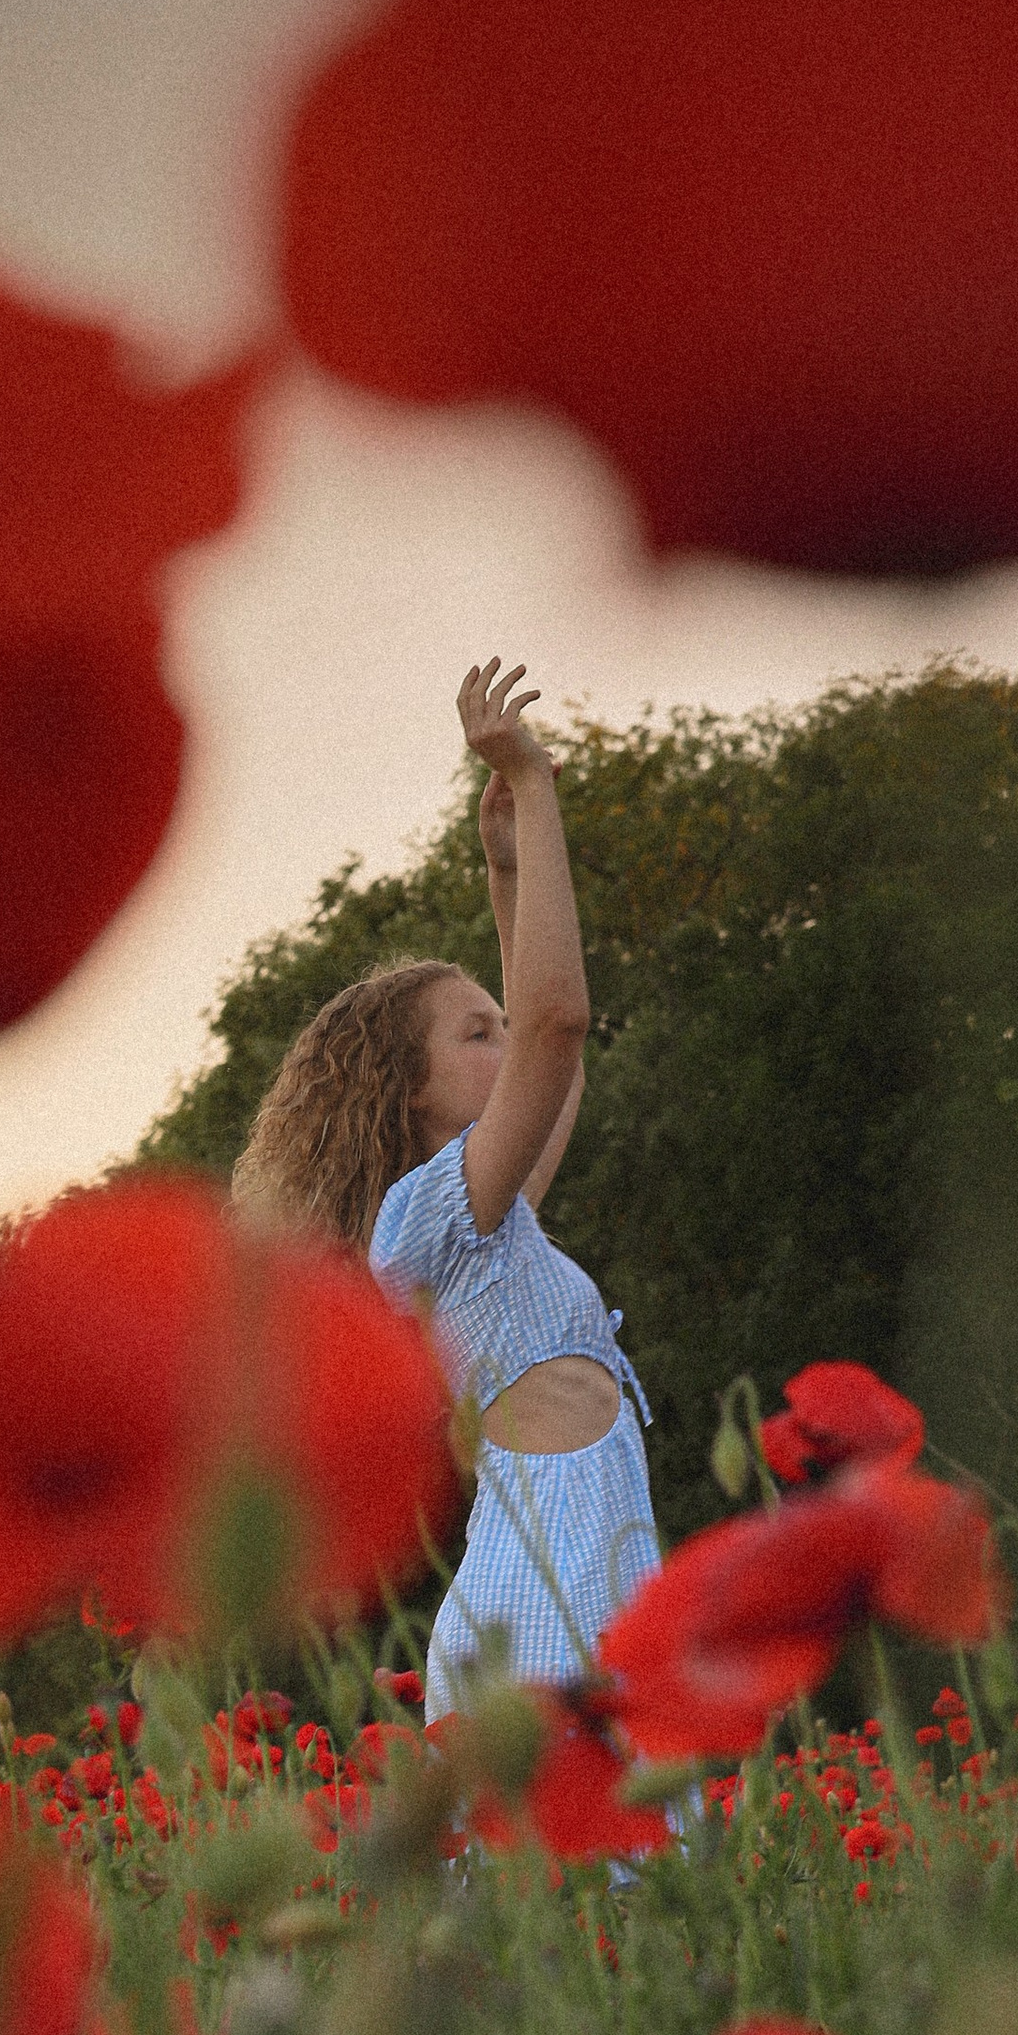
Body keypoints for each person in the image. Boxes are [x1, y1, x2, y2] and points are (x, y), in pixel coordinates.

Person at [231, 658, 661, 1722]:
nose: (506, 1044)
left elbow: (548, 1052)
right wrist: (543, 786)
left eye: (498, 1025)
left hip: (595, 1605)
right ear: (403, 1085)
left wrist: (507, 870)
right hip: (538, 1630)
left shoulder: (493, 1223)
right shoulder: (422, 1223)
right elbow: (558, 1024)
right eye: (476, 1035)